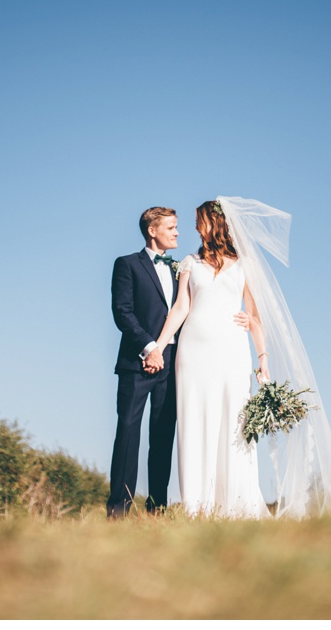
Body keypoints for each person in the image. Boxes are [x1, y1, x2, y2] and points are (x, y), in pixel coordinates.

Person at [156, 197, 331, 519]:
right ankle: (196, 507)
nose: (193, 226)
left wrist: (263, 360)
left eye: (198, 220)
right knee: (194, 422)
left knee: (234, 425)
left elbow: (255, 316)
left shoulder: (245, 265)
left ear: (214, 224)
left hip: (232, 352)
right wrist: (160, 345)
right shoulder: (190, 262)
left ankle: (235, 505)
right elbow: (180, 308)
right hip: (192, 353)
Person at [107, 206, 250, 517]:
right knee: (128, 433)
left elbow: (196, 305)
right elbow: (123, 313)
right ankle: (118, 510)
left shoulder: (182, 266)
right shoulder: (127, 264)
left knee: (163, 437)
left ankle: (156, 507)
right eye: (171, 228)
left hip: (176, 362)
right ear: (152, 230)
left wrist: (244, 317)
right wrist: (149, 348)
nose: (178, 232)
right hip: (139, 361)